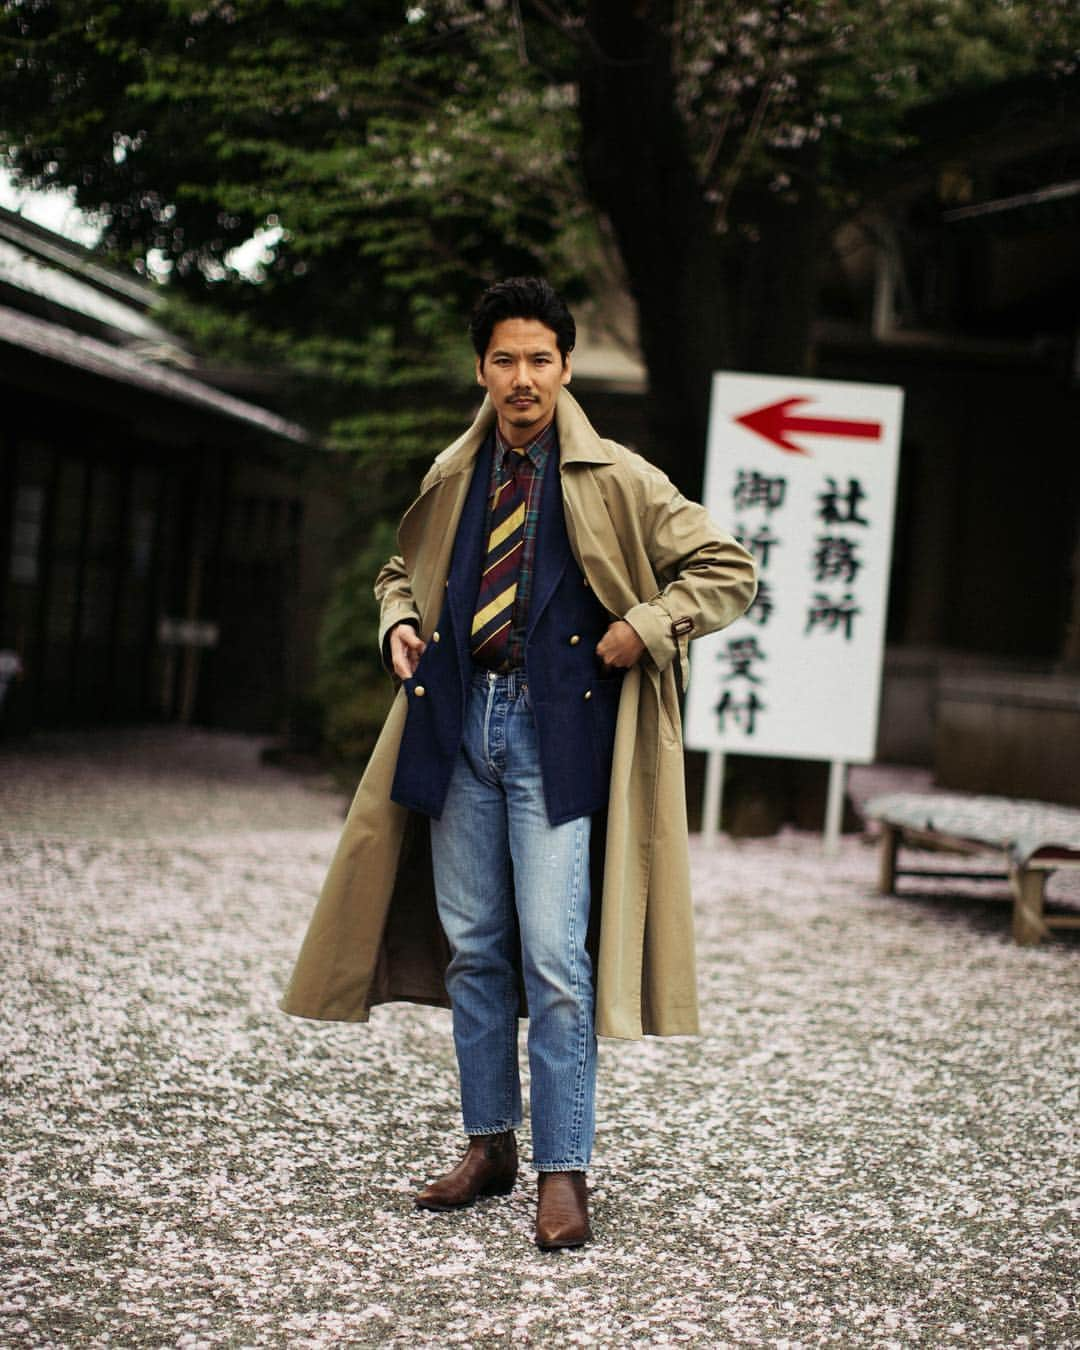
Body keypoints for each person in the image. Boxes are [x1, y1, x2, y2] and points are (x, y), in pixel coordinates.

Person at [282, 277, 756, 1250]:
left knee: (554, 958)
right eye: (505, 359)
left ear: (568, 366)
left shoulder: (618, 476)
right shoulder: (458, 470)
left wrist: (646, 625)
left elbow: (727, 568)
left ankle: (564, 1170)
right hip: (458, 726)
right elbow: (396, 572)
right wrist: (398, 624)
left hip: (559, 735)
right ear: (481, 368)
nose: (523, 378)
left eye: (541, 358)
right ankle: (490, 1144)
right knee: (477, 952)